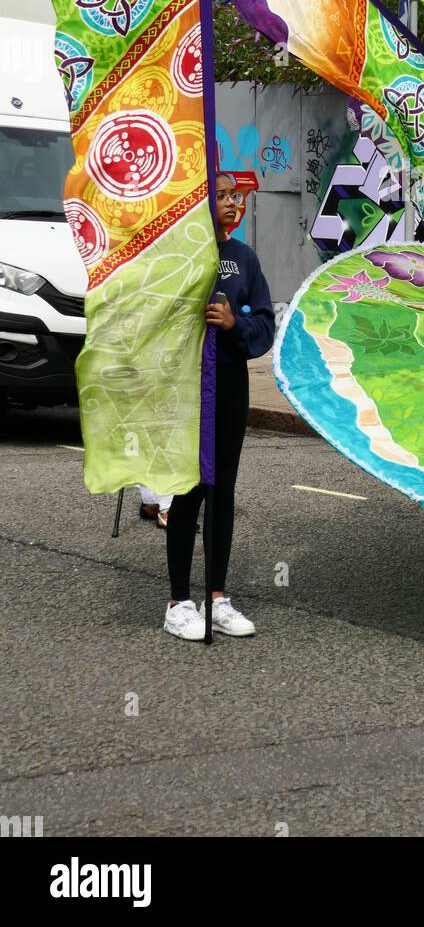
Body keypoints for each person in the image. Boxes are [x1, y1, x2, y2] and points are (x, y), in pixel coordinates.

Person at [163, 173, 275, 640]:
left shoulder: (244, 258)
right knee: (190, 489)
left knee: (222, 489)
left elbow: (266, 325)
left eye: (235, 196)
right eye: (222, 196)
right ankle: (178, 602)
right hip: (190, 383)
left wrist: (234, 325)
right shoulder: (180, 256)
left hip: (229, 382)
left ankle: (218, 597)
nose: (232, 203)